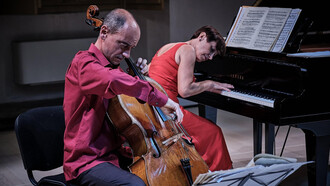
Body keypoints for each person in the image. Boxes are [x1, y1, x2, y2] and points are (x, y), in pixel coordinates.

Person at [63, 8, 183, 186]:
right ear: (104, 32)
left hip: (115, 153)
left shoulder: (113, 68)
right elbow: (112, 80)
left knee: (171, 169)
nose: (127, 54)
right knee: (136, 185)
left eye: (131, 48)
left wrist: (136, 76)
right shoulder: (83, 64)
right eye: (123, 45)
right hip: (87, 161)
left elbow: (125, 105)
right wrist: (163, 99)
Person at [148, 25, 233, 171]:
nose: (211, 57)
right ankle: (218, 177)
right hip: (166, 112)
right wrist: (209, 84)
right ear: (202, 37)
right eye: (211, 50)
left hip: (152, 106)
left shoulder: (170, 46)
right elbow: (185, 90)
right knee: (214, 133)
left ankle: (198, 170)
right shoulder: (188, 50)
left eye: (214, 55)